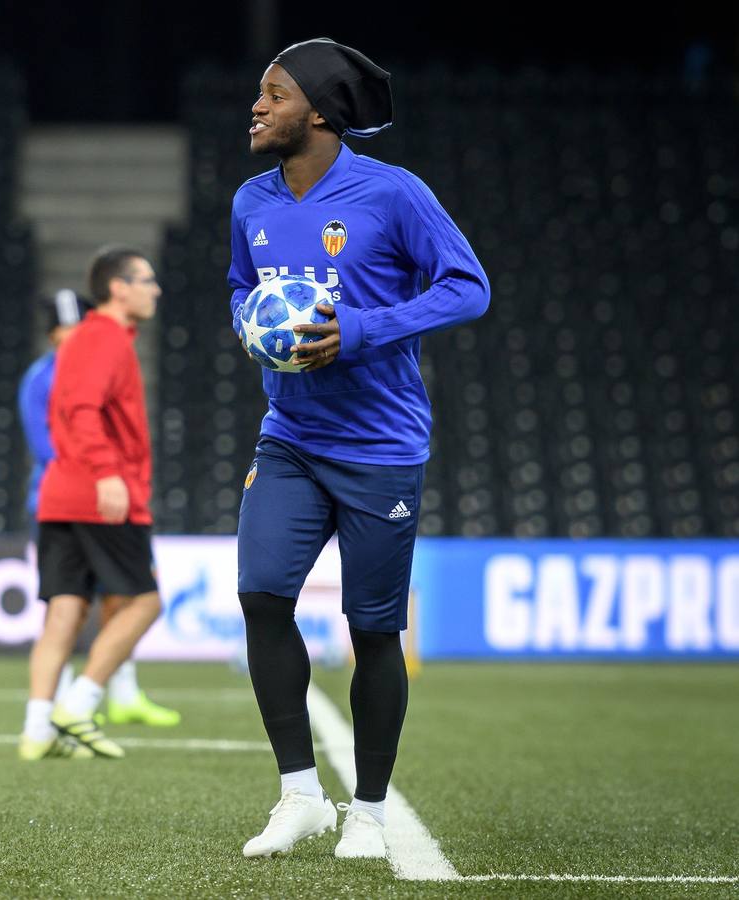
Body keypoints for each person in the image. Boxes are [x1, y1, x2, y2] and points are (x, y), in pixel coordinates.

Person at [230, 39, 489, 859]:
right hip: (291, 438)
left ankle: (369, 812)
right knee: (262, 594)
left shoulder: (393, 193)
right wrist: (251, 323)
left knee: (373, 630)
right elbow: (242, 286)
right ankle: (300, 795)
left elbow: (467, 285)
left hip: (380, 447)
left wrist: (365, 330)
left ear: (318, 111)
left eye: (273, 95)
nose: (257, 107)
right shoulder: (250, 203)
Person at [16, 290, 179, 755]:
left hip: (58, 496)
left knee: (80, 608)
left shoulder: (70, 365)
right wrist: (106, 473)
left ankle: (43, 728)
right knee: (135, 599)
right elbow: (54, 440)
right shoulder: (72, 366)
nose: (72, 335)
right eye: (63, 329)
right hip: (92, 494)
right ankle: (81, 701)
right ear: (51, 334)